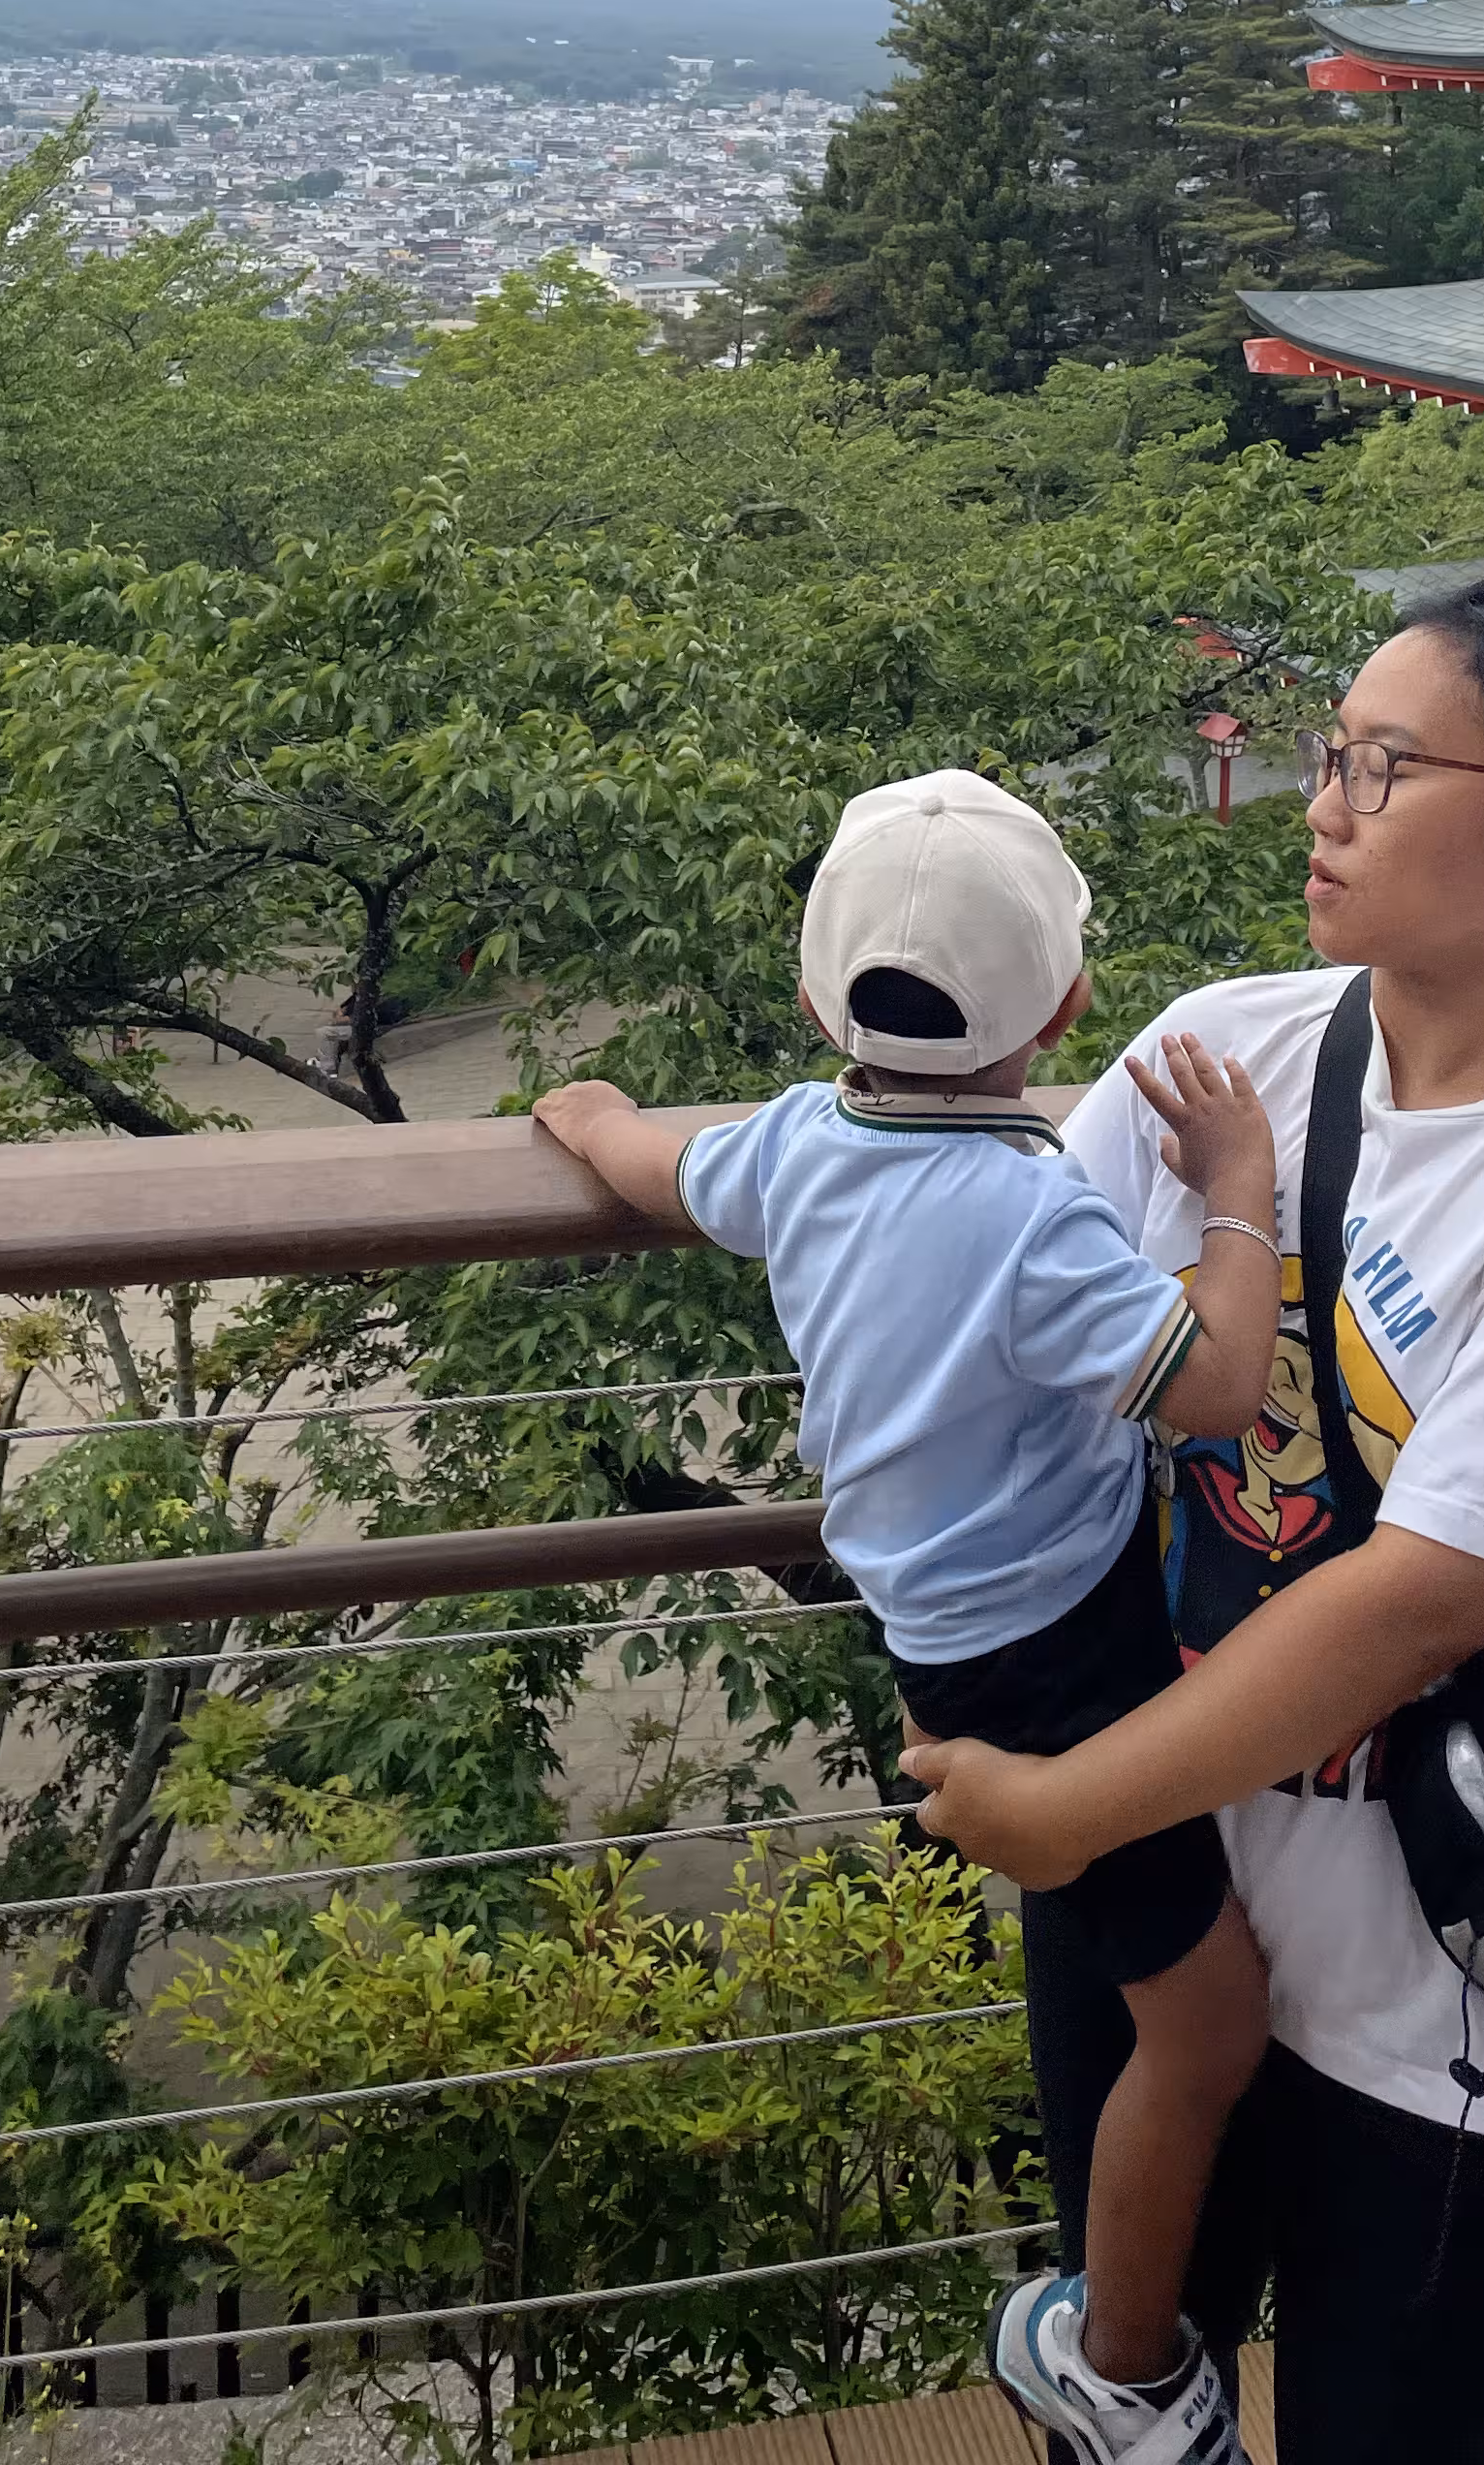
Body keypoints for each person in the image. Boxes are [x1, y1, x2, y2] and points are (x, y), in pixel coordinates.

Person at [906, 577, 1484, 2465]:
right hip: (1165, 1893)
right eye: (1330, 757)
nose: (1326, 806)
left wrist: (1061, 1800)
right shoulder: (1233, 1049)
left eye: (1390, 766)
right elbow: (1026, 1351)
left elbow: (1423, 1596)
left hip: (1437, 1949)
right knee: (1126, 2410)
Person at [535, 768, 1283, 2465]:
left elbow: (659, 1163)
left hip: (937, 1641)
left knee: (1126, 1958)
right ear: (1071, 1008)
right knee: (1210, 2021)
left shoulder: (798, 1149)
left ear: (817, 1000)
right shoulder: (1033, 1214)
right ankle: (1120, 2357)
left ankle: (1113, 2318)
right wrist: (1235, 1183)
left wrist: (583, 1122)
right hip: (1065, 1661)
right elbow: (1218, 1388)